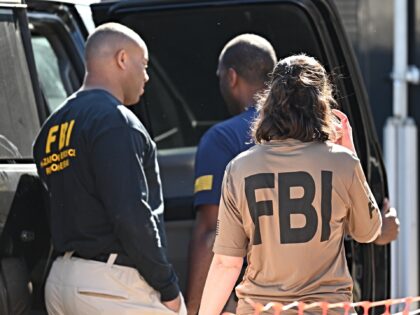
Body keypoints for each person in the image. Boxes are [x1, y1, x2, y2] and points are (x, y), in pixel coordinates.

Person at [199, 54, 383, 315]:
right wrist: (349, 149)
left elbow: (226, 263)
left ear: (270, 103)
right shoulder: (342, 162)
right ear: (322, 104)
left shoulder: (239, 168)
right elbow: (369, 231)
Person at [33, 23, 186, 315]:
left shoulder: (50, 129)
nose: (146, 76)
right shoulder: (115, 121)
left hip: (61, 281)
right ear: (122, 59)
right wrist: (168, 287)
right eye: (144, 64)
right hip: (111, 285)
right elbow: (130, 212)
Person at [187, 34, 277, 315]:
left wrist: (194, 308)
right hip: (313, 299)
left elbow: (211, 233)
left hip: (249, 299)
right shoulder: (312, 137)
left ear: (231, 77)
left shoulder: (222, 139)